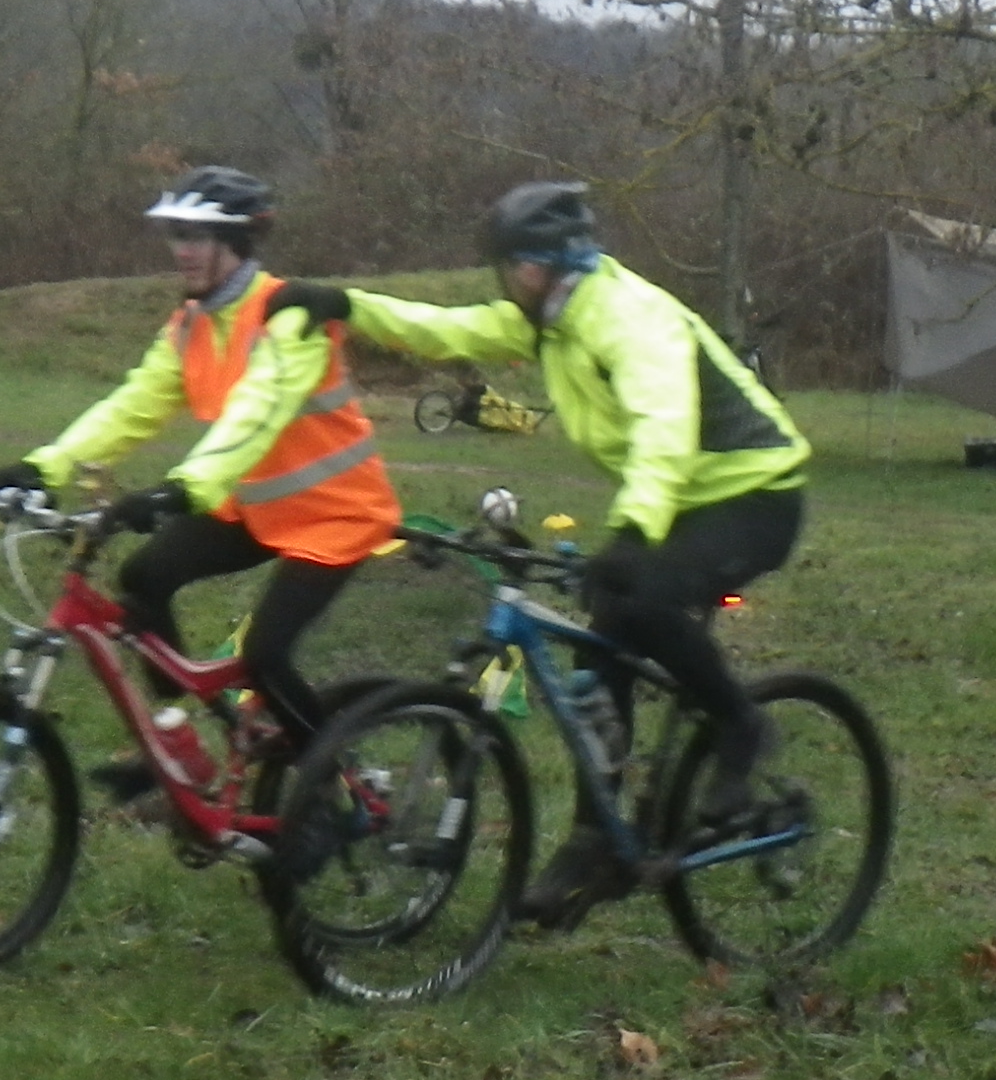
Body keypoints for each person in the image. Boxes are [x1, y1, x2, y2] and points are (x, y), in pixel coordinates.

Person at [269, 181, 808, 927]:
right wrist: (346, 305)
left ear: (556, 262)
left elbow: (664, 426)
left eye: (515, 264)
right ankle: (596, 838)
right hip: (685, 497)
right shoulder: (551, 321)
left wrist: (634, 530)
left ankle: (742, 724)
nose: (506, 279)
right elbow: (449, 330)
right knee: (603, 650)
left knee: (640, 599)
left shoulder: (628, 318)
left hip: (756, 493)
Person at [0, 168, 400, 782]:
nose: (181, 250)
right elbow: (133, 406)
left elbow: (249, 418)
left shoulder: (286, 316)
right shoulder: (191, 325)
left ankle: (335, 787)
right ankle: (174, 741)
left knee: (266, 655)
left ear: (238, 241)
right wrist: (43, 467)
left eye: (196, 236)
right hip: (254, 509)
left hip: (337, 514)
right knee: (145, 577)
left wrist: (178, 490)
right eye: (175, 234)